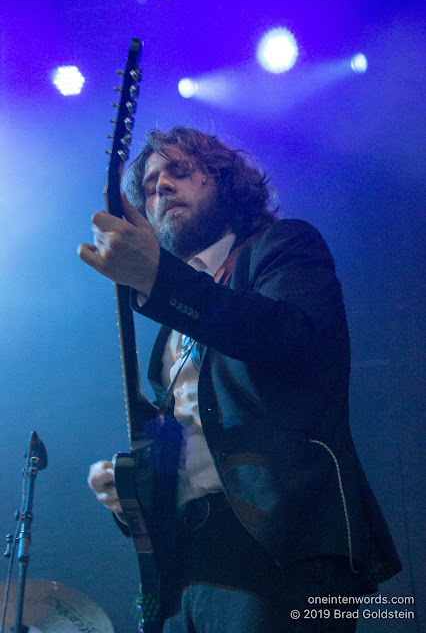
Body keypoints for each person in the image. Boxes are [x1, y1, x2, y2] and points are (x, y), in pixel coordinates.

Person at [80, 127, 401, 632]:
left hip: (280, 548)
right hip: (185, 568)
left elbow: (291, 340)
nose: (160, 187)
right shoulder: (171, 323)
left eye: (179, 172)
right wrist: (132, 491)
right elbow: (182, 445)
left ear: (227, 183)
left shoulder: (283, 246)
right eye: (149, 185)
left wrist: (160, 278)